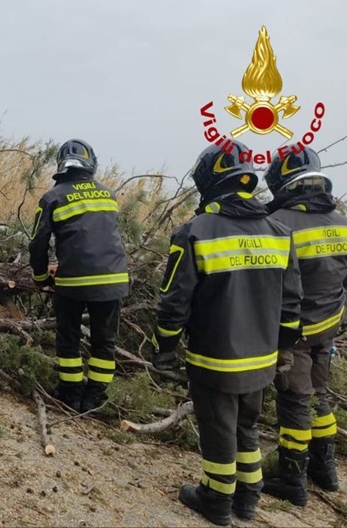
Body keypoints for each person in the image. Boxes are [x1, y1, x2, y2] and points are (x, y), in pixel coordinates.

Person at [151, 140, 303, 526]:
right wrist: (283, 350)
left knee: (218, 428)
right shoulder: (279, 233)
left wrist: (163, 350)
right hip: (262, 359)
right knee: (246, 426)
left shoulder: (195, 231)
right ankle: (248, 497)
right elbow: (291, 308)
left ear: (209, 180)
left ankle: (217, 499)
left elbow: (174, 304)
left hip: (215, 357)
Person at [261, 146, 347, 505]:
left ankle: (292, 479)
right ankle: (325, 472)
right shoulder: (340, 221)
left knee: (295, 399)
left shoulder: (278, 222)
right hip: (328, 324)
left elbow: (267, 282)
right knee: (319, 391)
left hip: (295, 330)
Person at [29, 139, 129, 412]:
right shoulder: (108, 195)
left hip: (73, 281)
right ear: (91, 164)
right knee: (104, 342)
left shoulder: (53, 197)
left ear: (61, 165)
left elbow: (38, 243)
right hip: (113, 280)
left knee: (69, 339)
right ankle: (94, 398)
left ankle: (70, 394)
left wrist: (40, 277)